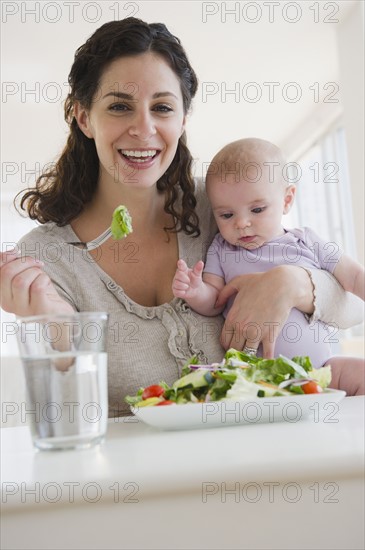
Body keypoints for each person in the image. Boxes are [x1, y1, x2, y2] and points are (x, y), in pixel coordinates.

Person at [0, 19, 363, 417]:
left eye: (162, 107)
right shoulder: (45, 256)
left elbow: (350, 310)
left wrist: (292, 282)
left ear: (183, 119)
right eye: (120, 106)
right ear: (84, 116)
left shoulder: (222, 205)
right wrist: (56, 324)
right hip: (141, 479)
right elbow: (69, 414)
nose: (144, 128)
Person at [172, 138, 365, 390]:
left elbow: (353, 277)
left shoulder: (306, 240)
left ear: (286, 200)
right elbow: (214, 301)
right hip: (257, 376)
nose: (241, 223)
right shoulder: (222, 248)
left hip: (322, 370)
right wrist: (195, 291)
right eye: (227, 215)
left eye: (257, 209)